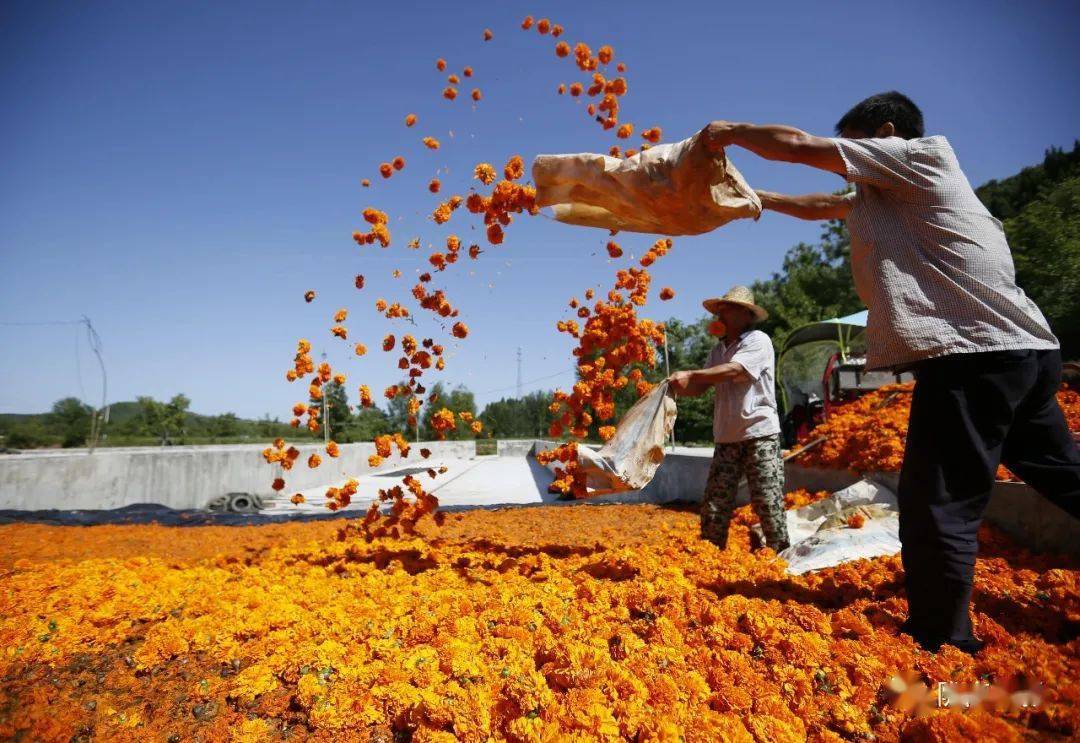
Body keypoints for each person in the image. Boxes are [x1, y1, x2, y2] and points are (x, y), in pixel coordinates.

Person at [698, 92, 1079, 654]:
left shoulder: (924, 157)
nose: (848, 160)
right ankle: (942, 625)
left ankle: (941, 641)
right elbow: (820, 206)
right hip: (1019, 350)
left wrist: (730, 131)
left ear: (887, 132)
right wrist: (758, 199)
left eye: (854, 145)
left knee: (936, 504)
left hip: (973, 356)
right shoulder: (887, 197)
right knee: (1063, 473)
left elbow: (803, 147)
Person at [667, 286, 791, 553]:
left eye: (728, 309)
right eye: (720, 310)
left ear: (745, 314)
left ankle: (781, 554)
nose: (721, 315)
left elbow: (733, 370)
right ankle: (711, 554)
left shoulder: (758, 340)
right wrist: (673, 387)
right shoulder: (718, 350)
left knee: (767, 499)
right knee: (715, 502)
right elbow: (700, 387)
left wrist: (691, 373)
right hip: (727, 437)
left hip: (758, 433)